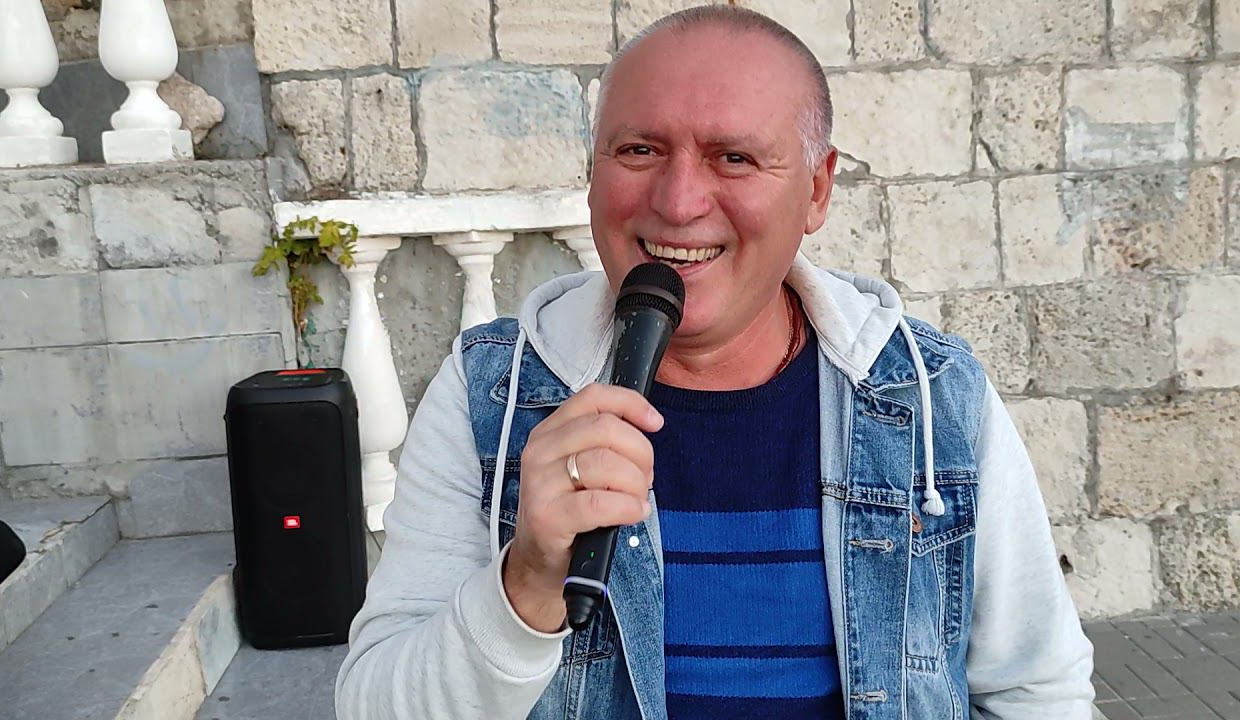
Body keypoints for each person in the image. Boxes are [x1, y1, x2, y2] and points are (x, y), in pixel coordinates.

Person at [335, 6, 1094, 719]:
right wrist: (526, 584)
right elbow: (372, 703)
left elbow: (1038, 690)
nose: (678, 202)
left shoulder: (931, 395)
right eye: (639, 150)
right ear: (593, 172)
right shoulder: (493, 393)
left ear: (817, 190)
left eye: (734, 158)